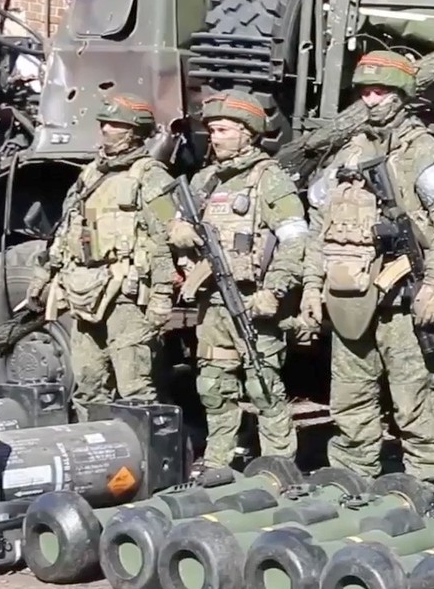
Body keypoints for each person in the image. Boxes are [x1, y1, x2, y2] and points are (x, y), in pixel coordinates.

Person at [300, 50, 434, 483]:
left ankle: (424, 483)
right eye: (365, 92)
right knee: (349, 400)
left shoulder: (423, 153)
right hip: (352, 299)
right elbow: (320, 223)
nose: (371, 100)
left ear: (401, 95)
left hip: (402, 303)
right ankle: (351, 478)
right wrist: (311, 286)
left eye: (380, 91)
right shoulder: (347, 155)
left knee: (414, 401)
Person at [168, 89, 307, 468]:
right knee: (214, 386)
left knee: (263, 387)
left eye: (225, 130)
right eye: (212, 130)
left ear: (248, 133)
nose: (215, 138)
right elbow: (177, 222)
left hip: (251, 301)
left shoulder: (269, 180)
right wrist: (179, 231)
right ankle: (218, 460)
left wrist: (274, 290)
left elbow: (296, 240)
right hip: (212, 303)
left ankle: (278, 465)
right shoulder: (205, 180)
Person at [26, 94, 177, 416]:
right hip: (84, 290)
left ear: (135, 132)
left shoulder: (150, 177)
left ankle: (143, 444)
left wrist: (162, 296)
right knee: (88, 382)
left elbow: (166, 238)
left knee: (135, 387)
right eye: (104, 123)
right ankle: (94, 439)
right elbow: (66, 231)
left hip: (126, 294)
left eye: (116, 124)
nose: (106, 129)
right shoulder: (90, 174)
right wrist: (43, 276)